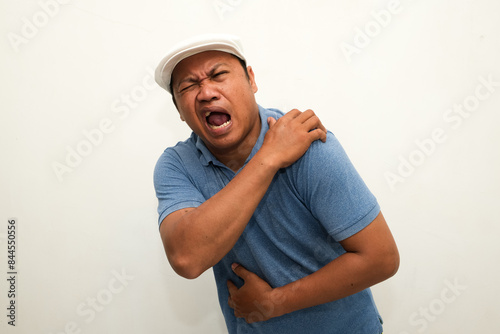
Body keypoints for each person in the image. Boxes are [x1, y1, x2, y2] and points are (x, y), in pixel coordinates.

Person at [153, 34, 399, 334]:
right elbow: (187, 259)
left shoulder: (309, 144)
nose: (206, 93)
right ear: (179, 110)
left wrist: (275, 302)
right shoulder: (177, 165)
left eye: (218, 75)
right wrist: (269, 158)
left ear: (251, 80)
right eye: (188, 86)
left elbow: (381, 258)